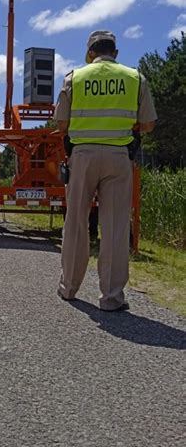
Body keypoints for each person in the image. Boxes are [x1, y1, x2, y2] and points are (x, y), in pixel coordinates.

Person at [54, 30, 157, 311]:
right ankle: (111, 298)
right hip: (118, 156)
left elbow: (61, 123)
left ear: (90, 53)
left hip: (83, 156)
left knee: (75, 223)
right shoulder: (135, 78)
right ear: (116, 53)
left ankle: (69, 288)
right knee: (114, 227)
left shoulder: (74, 78)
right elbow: (148, 124)